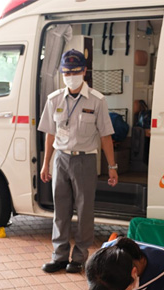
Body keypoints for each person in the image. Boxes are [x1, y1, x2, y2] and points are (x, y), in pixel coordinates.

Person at [38, 49, 118, 274]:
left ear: (84, 71)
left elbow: (106, 137)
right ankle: (59, 256)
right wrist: (46, 163)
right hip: (61, 159)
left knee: (84, 211)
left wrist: (112, 168)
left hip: (85, 161)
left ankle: (80, 257)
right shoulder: (54, 100)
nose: (70, 75)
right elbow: (50, 134)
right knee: (60, 210)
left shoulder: (97, 100)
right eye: (66, 71)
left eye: (74, 71)